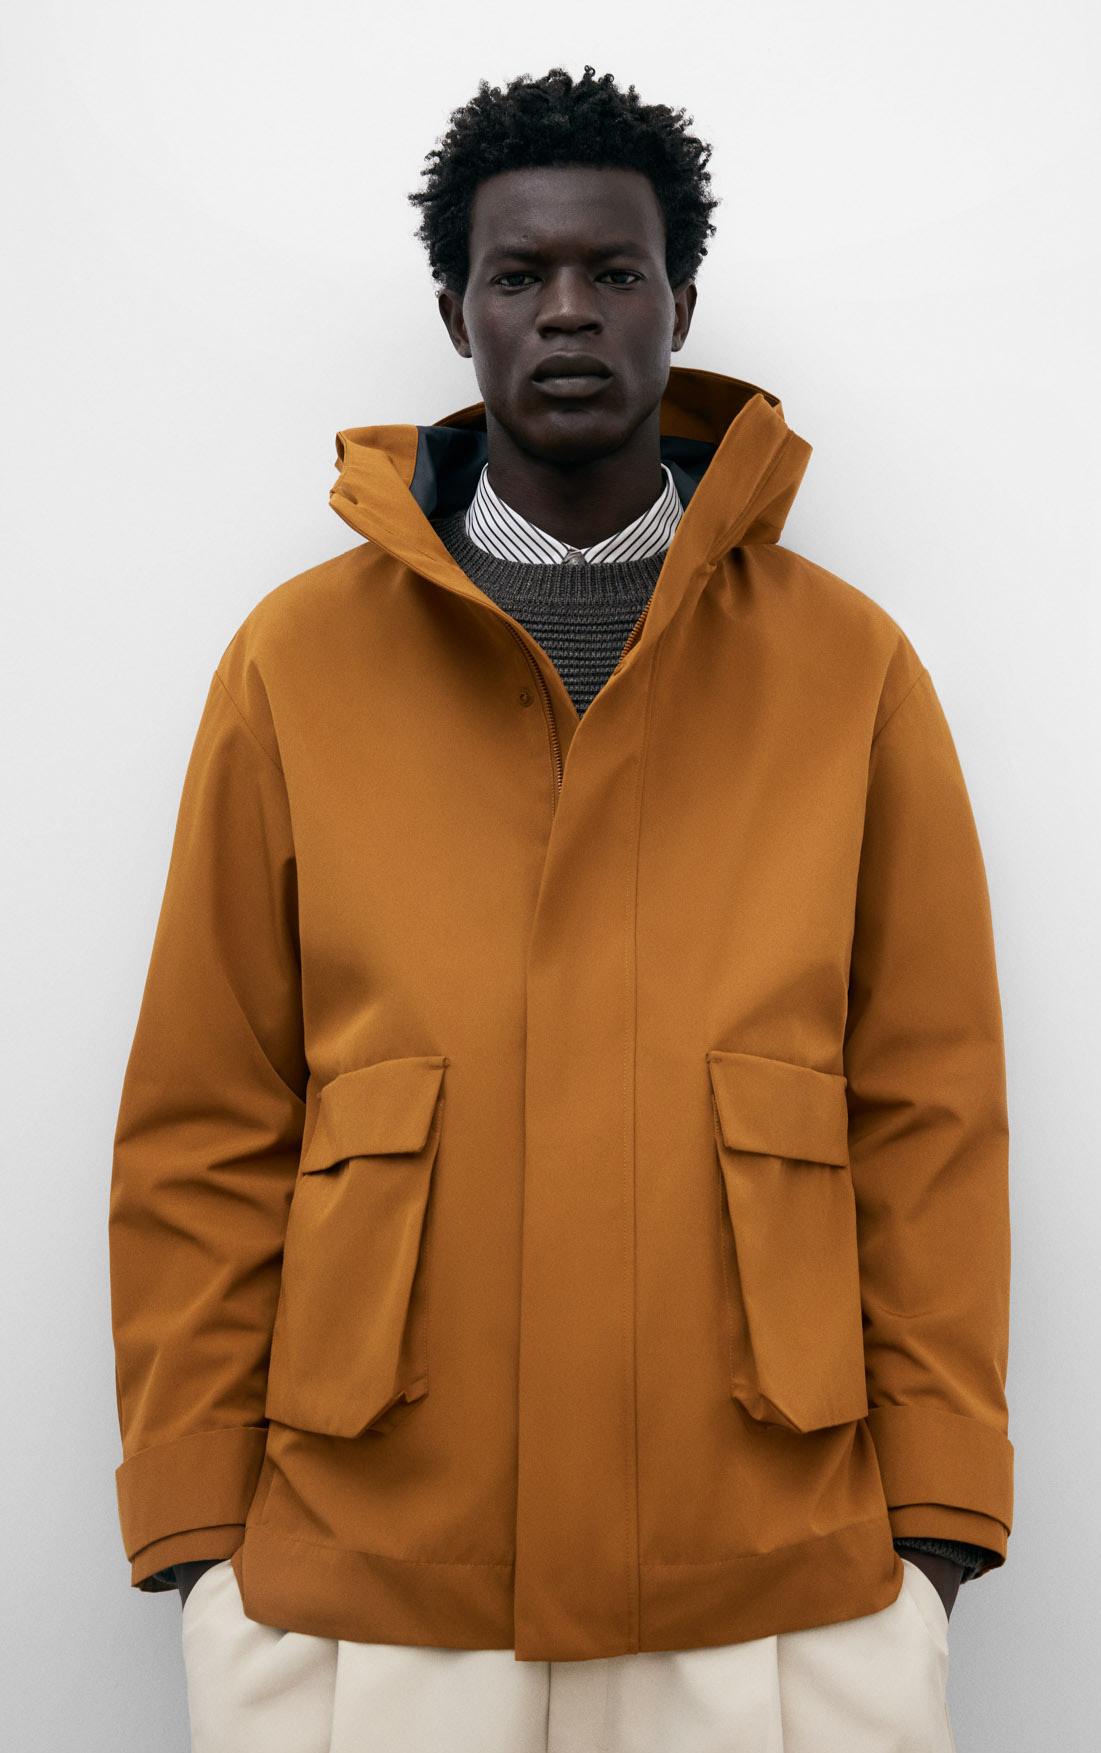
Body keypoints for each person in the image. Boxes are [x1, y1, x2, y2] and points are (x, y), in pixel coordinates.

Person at [109, 63, 1012, 1753]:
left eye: (615, 270)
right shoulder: (297, 664)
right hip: (372, 1561)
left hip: (769, 1558)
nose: (570, 310)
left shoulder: (846, 668)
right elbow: (205, 1118)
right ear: (456, 314)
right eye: (519, 274)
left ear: (682, 303)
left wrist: (938, 1523)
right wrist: (196, 1532)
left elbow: (929, 1111)